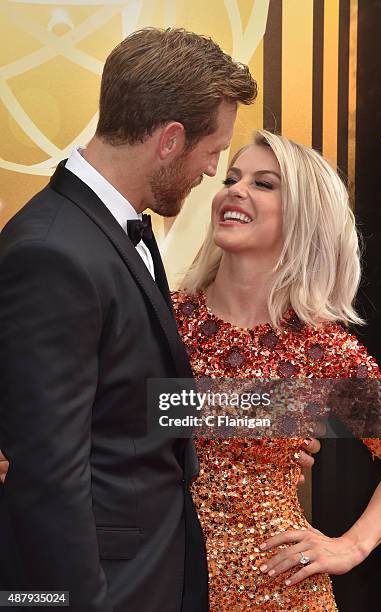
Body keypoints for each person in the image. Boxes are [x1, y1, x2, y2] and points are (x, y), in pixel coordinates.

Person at [0, 27, 260, 612]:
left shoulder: (105, 233)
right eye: (214, 151)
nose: (213, 172)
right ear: (170, 140)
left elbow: (134, 403)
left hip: (157, 568)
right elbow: (49, 476)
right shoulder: (54, 251)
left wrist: (285, 416)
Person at [172, 129, 381, 611]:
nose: (234, 189)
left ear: (304, 218)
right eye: (232, 176)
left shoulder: (325, 351)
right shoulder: (159, 319)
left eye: (264, 183)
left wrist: (350, 545)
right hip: (157, 581)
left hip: (281, 592)